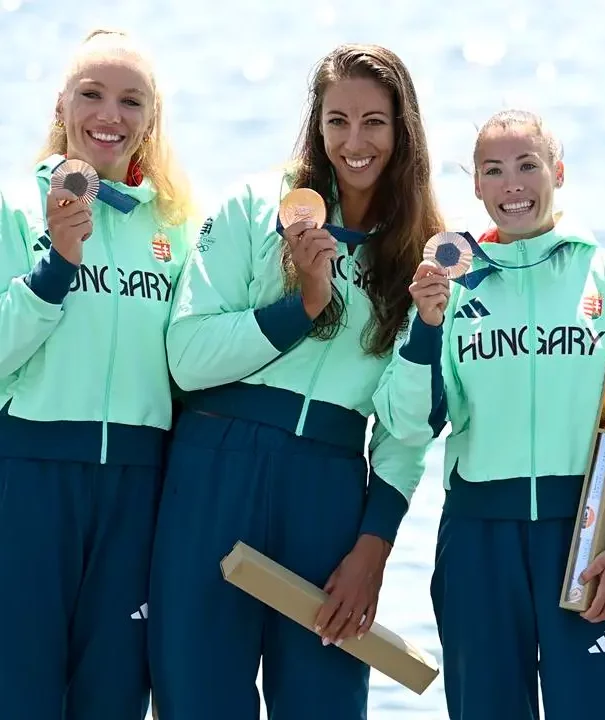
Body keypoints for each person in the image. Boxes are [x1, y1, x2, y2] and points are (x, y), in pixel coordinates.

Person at [147, 44, 444, 720]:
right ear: (317, 124)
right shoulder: (255, 205)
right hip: (212, 474)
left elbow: (408, 428)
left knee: (324, 705)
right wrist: (301, 306)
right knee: (197, 701)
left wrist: (375, 544)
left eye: (375, 122)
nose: (355, 141)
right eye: (337, 120)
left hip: (329, 493)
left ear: (403, 130)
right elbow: (186, 356)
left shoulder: (422, 251)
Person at [372, 109, 605, 720]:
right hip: (481, 546)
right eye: (494, 170)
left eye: (527, 165)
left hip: (587, 542)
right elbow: (410, 425)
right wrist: (426, 331)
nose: (512, 184)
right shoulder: (452, 285)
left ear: (557, 172)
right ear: (477, 187)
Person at [0, 28, 193, 720]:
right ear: (61, 104)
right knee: (19, 690)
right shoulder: (14, 210)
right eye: (92, 94)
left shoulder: (175, 228)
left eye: (130, 101)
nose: (110, 115)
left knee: (113, 693)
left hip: (138, 489)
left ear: (151, 119)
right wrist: (55, 264)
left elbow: (191, 363)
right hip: (30, 477)